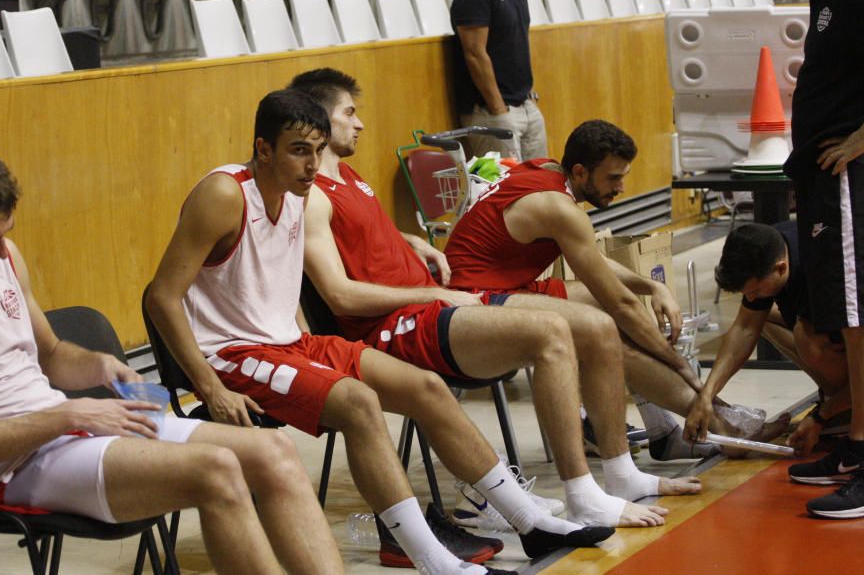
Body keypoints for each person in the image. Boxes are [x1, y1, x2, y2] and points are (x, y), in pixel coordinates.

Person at [146, 89, 613, 573]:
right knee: (359, 403)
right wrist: (210, 387)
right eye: (297, 151)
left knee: (427, 389)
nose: (310, 165)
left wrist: (309, 340)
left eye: (316, 151)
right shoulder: (225, 194)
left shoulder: (298, 195)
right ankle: (432, 559)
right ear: (263, 149)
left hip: (289, 343)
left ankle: (527, 521)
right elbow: (162, 295)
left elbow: (279, 287)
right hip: (233, 355)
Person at [0, 144, 344, 575]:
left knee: (274, 454)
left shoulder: (4, 255)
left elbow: (51, 354)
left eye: (3, 235)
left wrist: (98, 367)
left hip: (67, 430)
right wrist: (68, 413)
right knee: (216, 470)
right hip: (7, 470)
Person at [290, 68, 703, 533]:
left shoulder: (348, 177)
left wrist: (410, 240)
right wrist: (431, 290)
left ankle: (622, 473)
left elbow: (363, 238)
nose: (359, 123)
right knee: (551, 332)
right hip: (397, 325)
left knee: (599, 323)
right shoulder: (311, 198)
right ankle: (583, 494)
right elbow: (340, 295)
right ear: (318, 121)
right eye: (349, 113)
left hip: (431, 307)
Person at [444, 121, 790, 453]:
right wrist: (681, 364)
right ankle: (720, 424)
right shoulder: (557, 207)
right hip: (471, 306)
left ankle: (666, 430)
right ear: (580, 172)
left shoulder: (548, 170)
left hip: (504, 287)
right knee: (608, 335)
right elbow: (621, 304)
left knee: (618, 312)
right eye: (613, 178)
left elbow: (595, 261)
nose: (621, 188)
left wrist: (652, 288)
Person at [776, 0, 864, 518]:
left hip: (849, 177)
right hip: (823, 178)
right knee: (847, 319)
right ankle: (855, 446)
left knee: (859, 316)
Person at [685, 222, 849, 461]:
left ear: (781, 268)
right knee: (761, 318)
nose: (752, 297)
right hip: (832, 326)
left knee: (808, 338)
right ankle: (840, 400)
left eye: (757, 290)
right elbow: (744, 327)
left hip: (853, 334)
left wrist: (822, 415)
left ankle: (849, 410)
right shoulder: (771, 246)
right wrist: (706, 396)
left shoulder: (825, 275)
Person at [451, 0, 546, 161]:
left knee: (540, 186)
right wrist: (498, 109)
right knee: (505, 193)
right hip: (494, 111)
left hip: (525, 104)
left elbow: (517, 43)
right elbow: (474, 52)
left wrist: (529, 97)